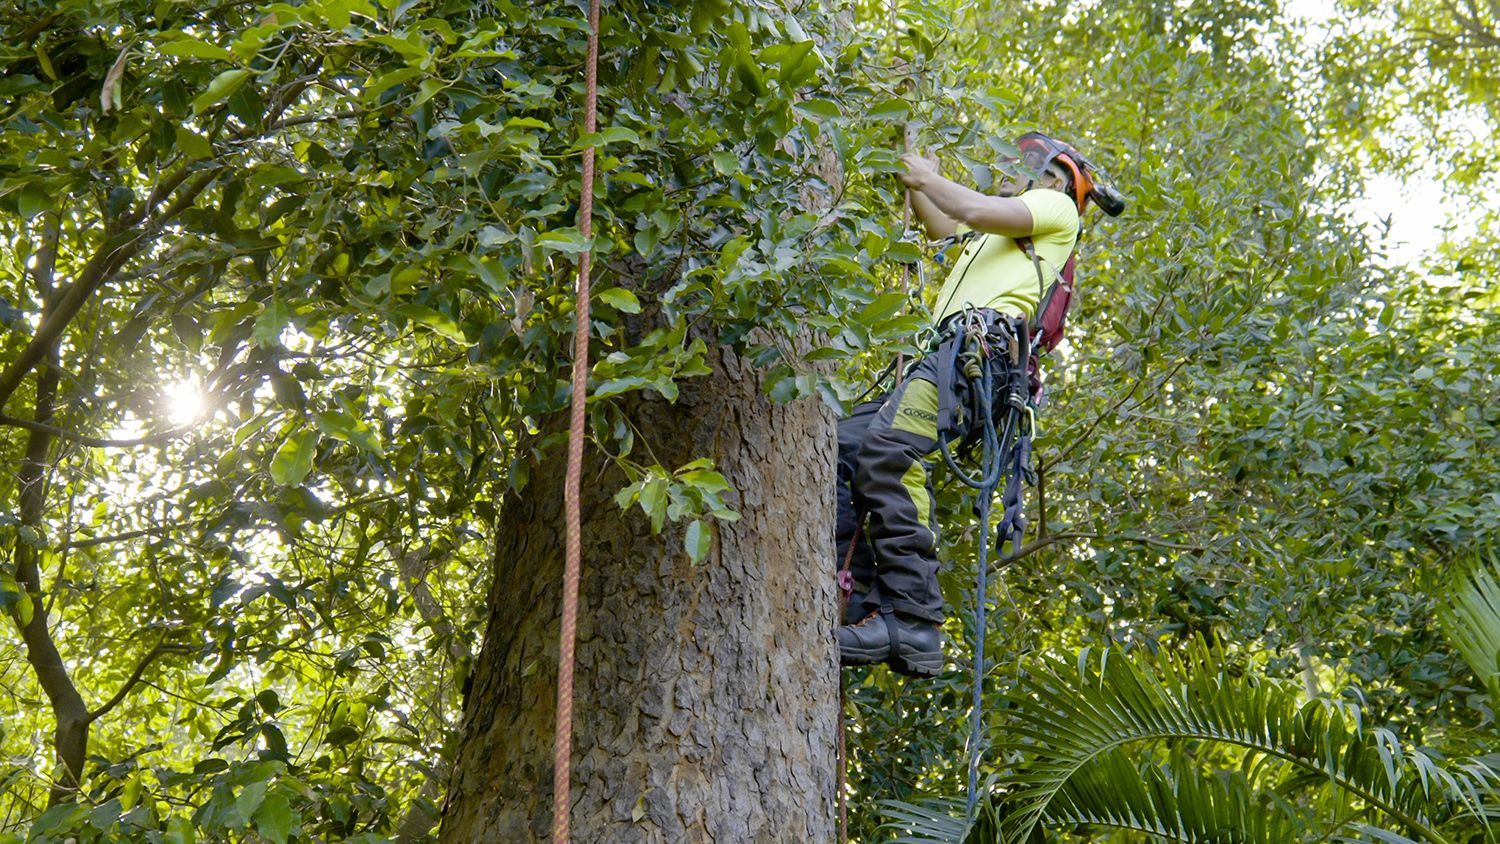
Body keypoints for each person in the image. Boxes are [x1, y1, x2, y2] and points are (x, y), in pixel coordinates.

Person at [834, 132, 1121, 676]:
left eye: (1036, 169)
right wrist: (918, 174)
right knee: (844, 446)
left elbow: (967, 204)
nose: (1022, 173)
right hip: (948, 355)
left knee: (890, 454)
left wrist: (927, 176)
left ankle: (914, 617)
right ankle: (858, 595)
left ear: (1061, 182)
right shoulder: (993, 237)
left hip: (974, 352)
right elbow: (946, 222)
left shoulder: (1055, 209)